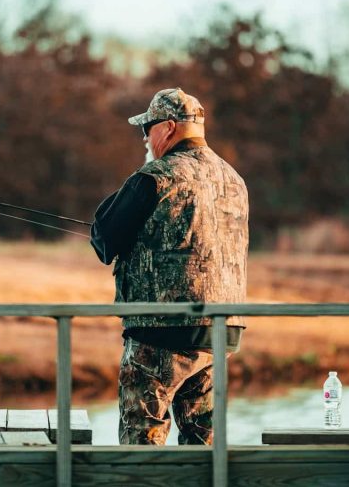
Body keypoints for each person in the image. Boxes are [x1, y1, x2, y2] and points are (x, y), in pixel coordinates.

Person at [90, 87, 249, 445]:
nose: (145, 138)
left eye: (147, 129)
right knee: (204, 445)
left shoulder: (155, 176)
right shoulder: (235, 180)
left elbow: (104, 240)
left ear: (169, 127)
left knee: (142, 442)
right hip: (221, 333)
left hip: (159, 331)